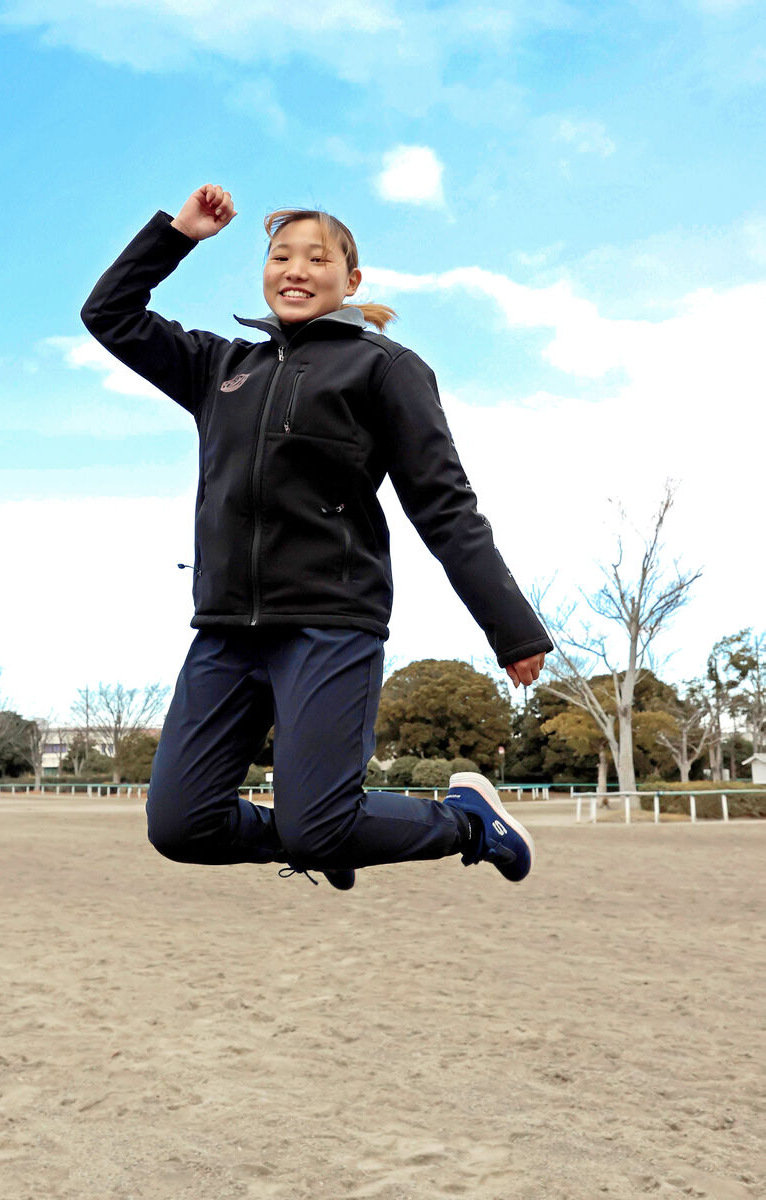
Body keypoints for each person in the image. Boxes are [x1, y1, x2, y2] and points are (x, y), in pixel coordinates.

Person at [81, 182, 552, 891]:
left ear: (350, 280)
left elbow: (444, 506)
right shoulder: (220, 368)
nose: (294, 270)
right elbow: (109, 314)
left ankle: (466, 822)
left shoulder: (384, 368)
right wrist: (177, 234)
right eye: (279, 256)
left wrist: (511, 629)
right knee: (179, 825)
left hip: (329, 625)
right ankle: (327, 838)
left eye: (316, 258)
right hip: (225, 632)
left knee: (317, 823)